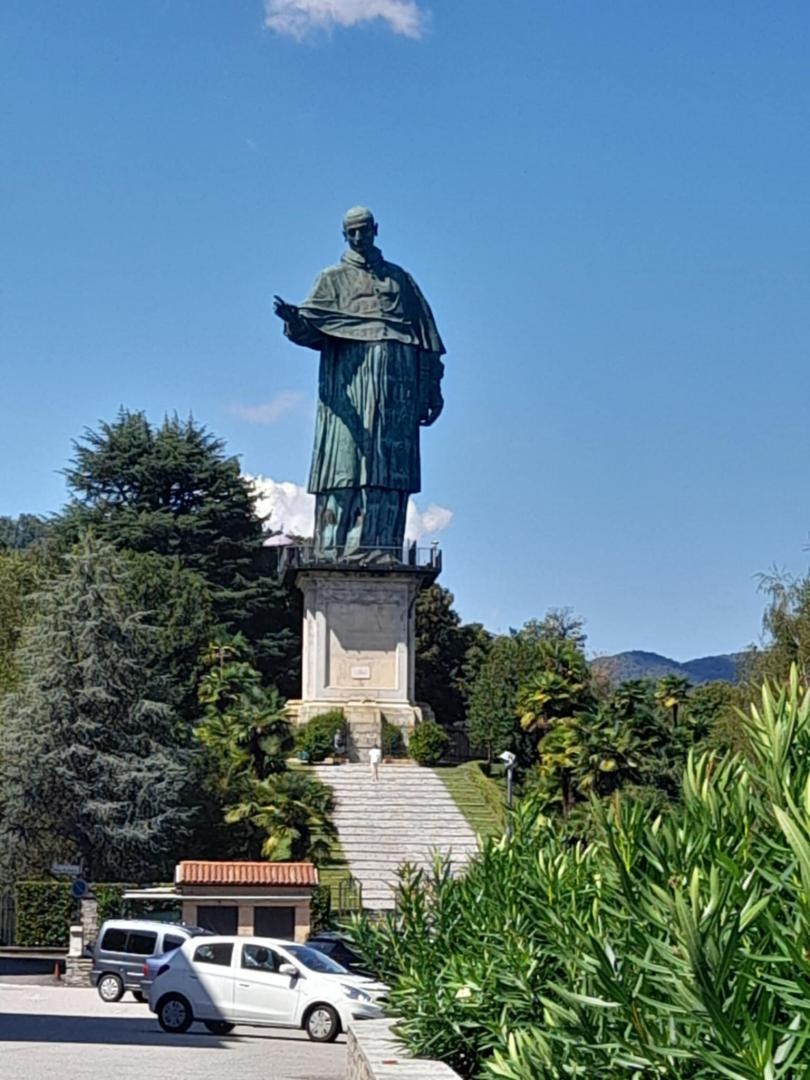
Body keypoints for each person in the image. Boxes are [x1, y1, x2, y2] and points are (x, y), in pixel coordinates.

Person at [274, 206, 446, 556]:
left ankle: (383, 546)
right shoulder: (332, 279)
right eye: (351, 232)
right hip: (349, 387)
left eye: (363, 230)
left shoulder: (400, 280)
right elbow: (312, 329)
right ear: (343, 235)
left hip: (398, 393)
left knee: (391, 470)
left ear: (375, 230)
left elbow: (428, 343)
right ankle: (337, 548)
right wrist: (293, 321)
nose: (357, 237)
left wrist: (432, 390)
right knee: (345, 465)